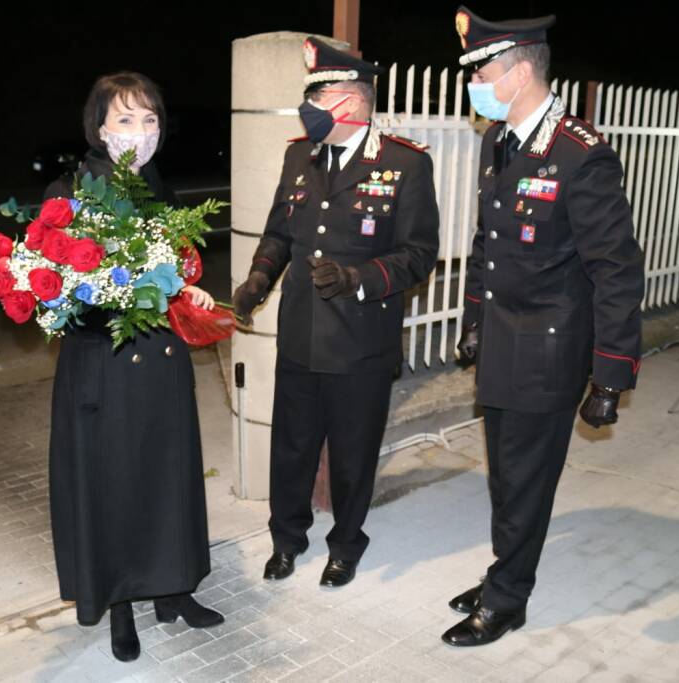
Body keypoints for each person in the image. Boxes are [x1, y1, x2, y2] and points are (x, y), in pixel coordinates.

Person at [442, 8, 646, 647]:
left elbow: (616, 270)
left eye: (482, 71)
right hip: (504, 339)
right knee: (504, 472)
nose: (475, 83)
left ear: (521, 70)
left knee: (525, 478)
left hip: (550, 351)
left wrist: (610, 375)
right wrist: (475, 318)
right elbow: (488, 243)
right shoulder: (499, 139)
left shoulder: (580, 154)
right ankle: (508, 568)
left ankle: (508, 599)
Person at [233, 38, 440, 589]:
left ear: (350, 101)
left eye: (318, 96)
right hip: (301, 333)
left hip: (361, 343)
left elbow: (420, 254)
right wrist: (259, 277)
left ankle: (346, 544)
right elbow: (280, 230)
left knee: (352, 455)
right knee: (291, 447)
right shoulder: (298, 154)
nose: (309, 107)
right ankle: (286, 539)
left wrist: (360, 279)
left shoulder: (404, 164)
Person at [42, 72, 223, 663]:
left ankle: (173, 588)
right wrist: (109, 295)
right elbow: (56, 298)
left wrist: (182, 293)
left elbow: (170, 270)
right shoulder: (69, 192)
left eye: (150, 121)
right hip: (107, 367)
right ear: (98, 127)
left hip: (160, 366)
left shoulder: (154, 186)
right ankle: (121, 603)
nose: (140, 134)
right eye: (126, 120)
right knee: (115, 485)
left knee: (167, 477)